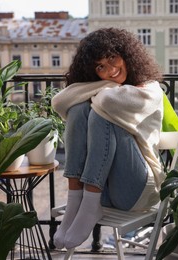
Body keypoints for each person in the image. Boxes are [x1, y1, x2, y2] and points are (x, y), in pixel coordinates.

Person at [51, 27, 164, 250]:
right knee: (78, 110)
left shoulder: (151, 89)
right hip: (106, 192)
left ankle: (88, 202)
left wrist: (99, 89)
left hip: (139, 190)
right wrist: (107, 86)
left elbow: (108, 103)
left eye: (113, 58)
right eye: (100, 67)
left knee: (101, 115)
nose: (111, 70)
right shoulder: (107, 88)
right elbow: (59, 102)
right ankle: (76, 199)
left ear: (127, 54)